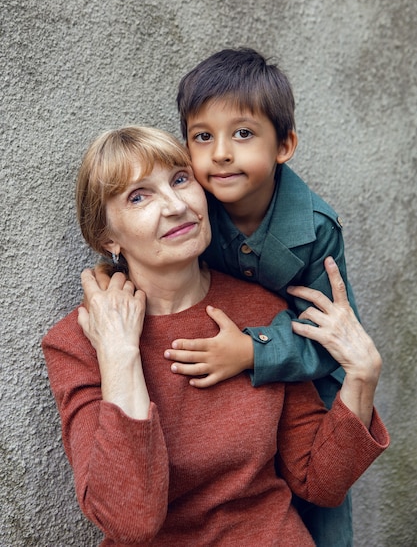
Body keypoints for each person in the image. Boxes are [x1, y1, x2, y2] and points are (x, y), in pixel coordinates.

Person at [42, 125, 389, 547]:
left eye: (179, 179)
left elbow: (319, 482)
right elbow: (129, 521)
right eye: (139, 196)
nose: (175, 205)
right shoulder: (76, 342)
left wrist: (362, 377)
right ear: (107, 238)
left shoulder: (263, 311)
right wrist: (118, 353)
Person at [168, 47, 361, 545]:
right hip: (223, 384)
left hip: (305, 381)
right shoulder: (193, 207)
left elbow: (335, 339)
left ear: (285, 145)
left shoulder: (315, 228)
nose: (221, 153)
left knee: (321, 510)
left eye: (243, 134)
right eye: (202, 137)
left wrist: (253, 350)